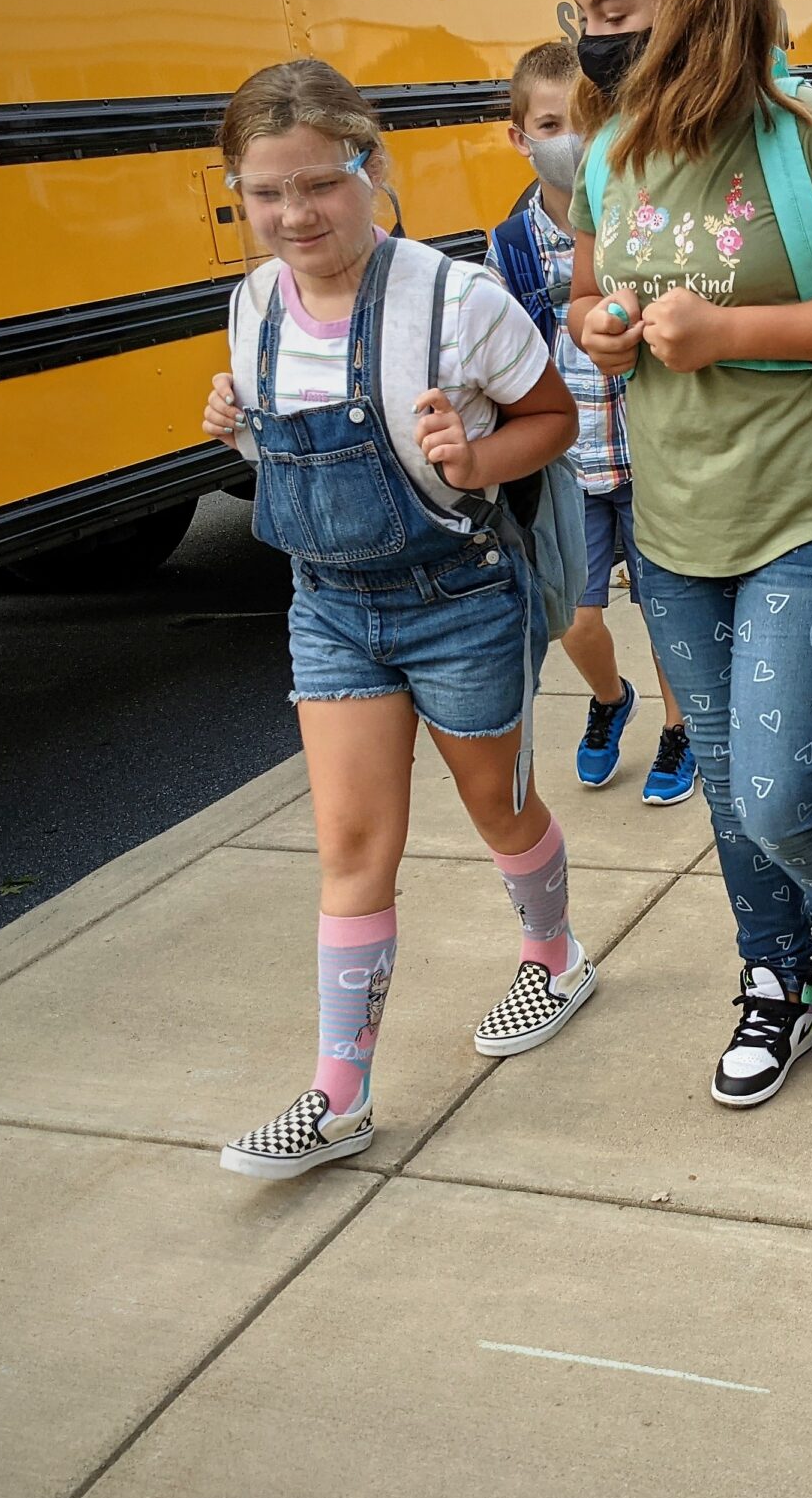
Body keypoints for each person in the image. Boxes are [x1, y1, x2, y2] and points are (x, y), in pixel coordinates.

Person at [564, 0, 812, 1109]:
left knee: (778, 788)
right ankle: (768, 974)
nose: (590, 35)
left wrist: (727, 333)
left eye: (615, 10)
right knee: (726, 783)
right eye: (581, 10)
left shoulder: (811, 137)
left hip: (811, 510)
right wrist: (602, 330)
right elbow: (580, 293)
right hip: (674, 524)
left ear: (696, 2)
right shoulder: (608, 152)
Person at [201, 59, 590, 1179]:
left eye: (318, 185)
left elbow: (550, 419)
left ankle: (553, 955)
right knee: (351, 847)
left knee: (498, 811)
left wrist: (480, 453)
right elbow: (286, 458)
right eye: (264, 194)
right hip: (329, 608)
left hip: (461, 600)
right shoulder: (253, 303)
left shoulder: (455, 298)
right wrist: (233, 419)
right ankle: (337, 1095)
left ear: (371, 171)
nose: (292, 215)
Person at [488, 39, 698, 806]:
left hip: (649, 453)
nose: (568, 140)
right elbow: (493, 351)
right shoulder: (510, 247)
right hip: (571, 464)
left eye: (582, 121)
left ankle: (682, 729)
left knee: (669, 608)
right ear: (521, 137)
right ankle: (611, 697)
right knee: (573, 616)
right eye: (549, 124)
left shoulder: (641, 219)